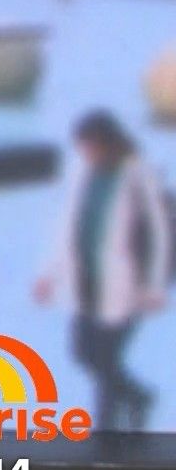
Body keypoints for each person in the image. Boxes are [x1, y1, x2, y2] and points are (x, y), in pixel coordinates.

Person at [33, 109, 169, 439]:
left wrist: (154, 285)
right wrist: (50, 274)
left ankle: (106, 435)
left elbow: (158, 231)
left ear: (108, 142)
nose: (86, 153)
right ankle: (138, 397)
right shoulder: (84, 172)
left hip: (127, 284)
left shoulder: (138, 174)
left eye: (91, 146)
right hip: (88, 281)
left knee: (106, 358)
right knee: (83, 352)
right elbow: (69, 226)